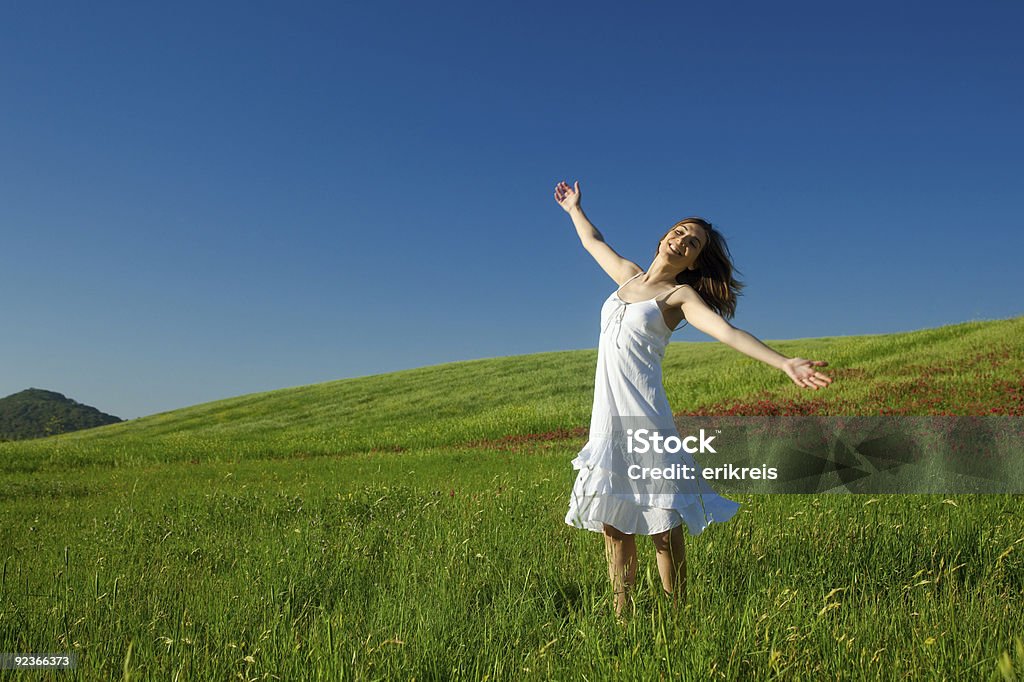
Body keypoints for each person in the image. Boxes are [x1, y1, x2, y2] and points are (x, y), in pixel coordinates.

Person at [553, 179, 832, 617]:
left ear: (694, 261)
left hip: (647, 419)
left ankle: (679, 615)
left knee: (663, 524)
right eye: (680, 231)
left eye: (693, 242)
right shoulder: (626, 277)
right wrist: (574, 209)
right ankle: (621, 615)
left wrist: (782, 363)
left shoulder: (677, 295)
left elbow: (727, 332)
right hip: (607, 423)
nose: (683, 240)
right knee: (614, 523)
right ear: (665, 236)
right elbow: (594, 242)